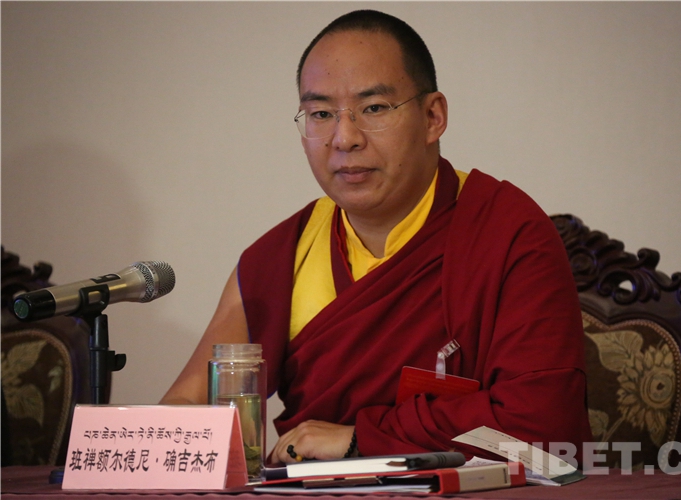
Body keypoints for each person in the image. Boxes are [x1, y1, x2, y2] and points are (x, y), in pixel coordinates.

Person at [161, 9, 592, 465]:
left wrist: (362, 439)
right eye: (321, 114)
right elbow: (182, 410)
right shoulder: (282, 258)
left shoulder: (507, 233)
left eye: (374, 108)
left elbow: (546, 426)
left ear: (433, 117)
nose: (344, 138)